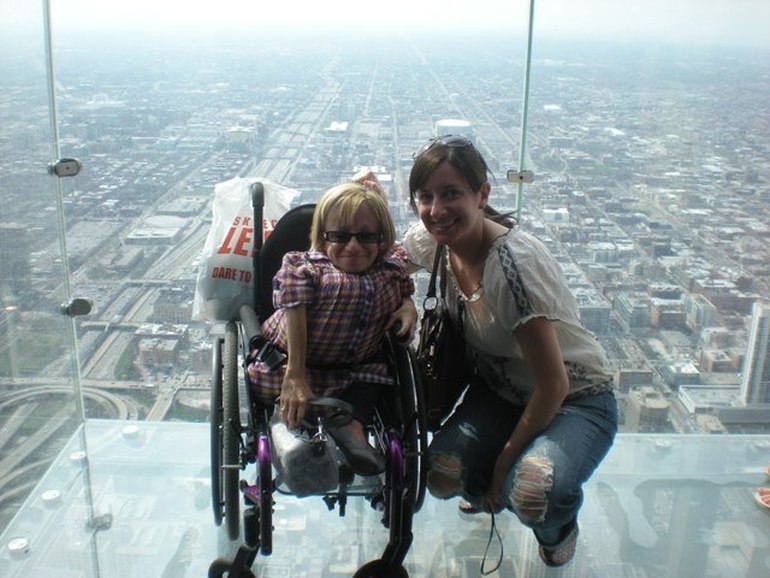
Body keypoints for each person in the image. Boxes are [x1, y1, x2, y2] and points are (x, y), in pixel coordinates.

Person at [356, 136, 618, 567]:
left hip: (575, 400)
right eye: (425, 197)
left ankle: (558, 528)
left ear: (483, 195)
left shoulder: (513, 267)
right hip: (500, 392)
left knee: (533, 490)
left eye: (451, 194)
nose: (437, 210)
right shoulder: (434, 241)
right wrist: (402, 294)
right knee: (442, 475)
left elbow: (554, 384)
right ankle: (491, 482)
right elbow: (382, 265)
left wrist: (501, 469)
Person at [247, 182, 417, 476]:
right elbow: (294, 313)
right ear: (323, 239)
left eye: (366, 236)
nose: (353, 246)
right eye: (339, 236)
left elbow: (404, 288)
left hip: (354, 371)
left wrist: (408, 306)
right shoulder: (306, 269)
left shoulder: (391, 269)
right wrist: (296, 374)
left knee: (375, 382)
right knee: (284, 401)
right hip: (291, 367)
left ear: (382, 239)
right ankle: (290, 438)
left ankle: (353, 430)